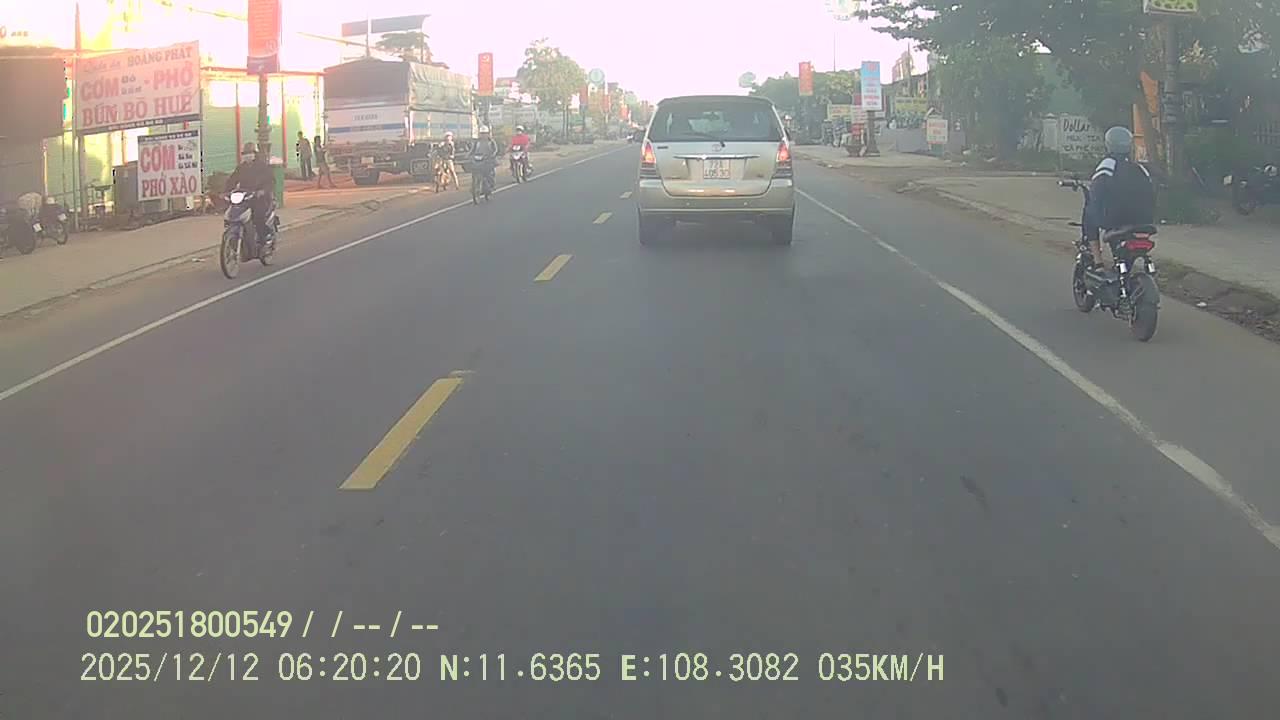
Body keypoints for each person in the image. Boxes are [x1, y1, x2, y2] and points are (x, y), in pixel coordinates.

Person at [1082, 126, 1155, 272]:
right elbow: (1152, 193)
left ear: (1108, 144)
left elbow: (1095, 193)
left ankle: (1098, 262)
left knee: (1088, 213)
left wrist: (1099, 210)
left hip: (1116, 219)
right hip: (1144, 220)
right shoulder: (1140, 168)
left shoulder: (1107, 164)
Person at [227, 142, 275, 243]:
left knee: (258, 216)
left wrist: (262, 191)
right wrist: (225, 192)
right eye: (245, 153)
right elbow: (232, 180)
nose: (247, 156)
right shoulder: (241, 168)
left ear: (255, 154)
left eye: (249, 153)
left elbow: (270, 181)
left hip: (260, 199)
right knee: (233, 214)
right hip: (245, 197)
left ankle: (264, 237)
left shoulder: (262, 167)